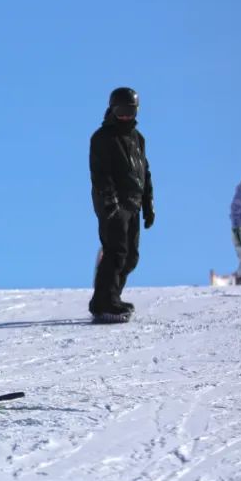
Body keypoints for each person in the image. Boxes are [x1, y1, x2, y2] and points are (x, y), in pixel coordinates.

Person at [89, 87, 154, 322]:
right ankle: (106, 302)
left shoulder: (138, 139)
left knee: (131, 256)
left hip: (133, 204)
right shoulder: (103, 137)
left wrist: (148, 204)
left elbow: (144, 173)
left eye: (130, 110)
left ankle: (108, 297)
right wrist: (111, 203)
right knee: (116, 252)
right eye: (121, 110)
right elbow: (100, 173)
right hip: (113, 205)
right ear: (112, 109)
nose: (126, 115)